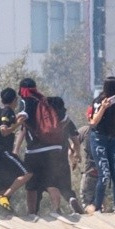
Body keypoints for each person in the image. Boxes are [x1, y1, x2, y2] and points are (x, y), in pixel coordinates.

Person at [18, 79, 74, 216]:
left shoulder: (25, 101)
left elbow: (22, 117)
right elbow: (66, 120)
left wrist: (10, 124)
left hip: (34, 150)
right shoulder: (47, 101)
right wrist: (54, 132)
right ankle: (57, 209)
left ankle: (31, 213)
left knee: (31, 185)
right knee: (51, 182)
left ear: (22, 89)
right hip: (53, 149)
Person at [86, 76, 115, 213]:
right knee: (105, 175)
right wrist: (103, 107)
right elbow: (93, 122)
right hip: (99, 139)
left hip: (112, 140)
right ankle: (97, 207)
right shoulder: (99, 101)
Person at [0, 87, 33, 211]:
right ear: (15, 100)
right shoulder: (7, 111)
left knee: (3, 185)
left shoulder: (3, 111)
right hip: (3, 151)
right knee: (27, 173)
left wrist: (16, 120)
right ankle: (4, 197)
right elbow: (4, 131)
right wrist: (18, 123)